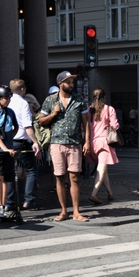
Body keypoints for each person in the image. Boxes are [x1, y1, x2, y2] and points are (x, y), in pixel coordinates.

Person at [39, 71, 91, 222]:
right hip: (57, 143)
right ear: (60, 84)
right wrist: (53, 114)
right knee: (60, 177)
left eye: (72, 82)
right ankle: (63, 211)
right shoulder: (50, 100)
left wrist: (87, 142)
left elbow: (86, 124)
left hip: (74, 143)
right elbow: (41, 121)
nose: (71, 85)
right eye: (68, 82)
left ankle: (76, 212)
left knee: (74, 177)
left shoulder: (79, 100)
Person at [5, 79, 42, 212]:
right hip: (21, 141)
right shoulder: (23, 103)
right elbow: (27, 125)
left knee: (10, 172)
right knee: (32, 169)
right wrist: (35, 142)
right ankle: (29, 200)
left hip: (8, 141)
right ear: (22, 89)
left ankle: (9, 203)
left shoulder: (6, 101)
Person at [85, 87, 119, 204]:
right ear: (104, 97)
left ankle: (110, 193)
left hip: (92, 143)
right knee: (101, 169)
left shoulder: (89, 110)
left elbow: (83, 127)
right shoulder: (109, 109)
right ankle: (93, 194)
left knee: (103, 169)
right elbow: (115, 125)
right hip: (104, 143)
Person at [0, 85, 18, 217]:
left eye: (9, 98)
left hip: (8, 149)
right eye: (6, 98)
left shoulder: (10, 112)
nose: (8, 100)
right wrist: (5, 148)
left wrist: (9, 140)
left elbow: (16, 127)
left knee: (7, 178)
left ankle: (5, 205)